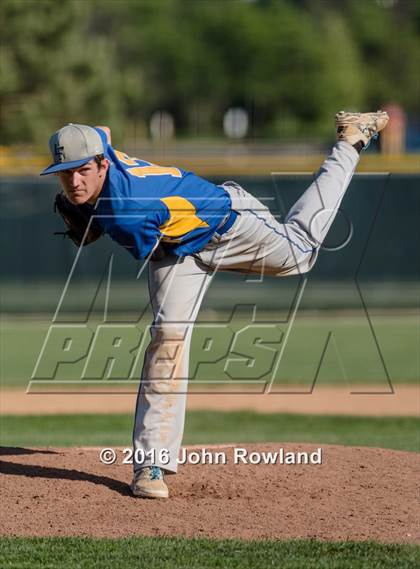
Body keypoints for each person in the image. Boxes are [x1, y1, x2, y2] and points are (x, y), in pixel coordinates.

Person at [41, 111, 389, 499]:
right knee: (168, 338)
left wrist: (91, 216)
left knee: (301, 253)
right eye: (65, 171)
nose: (74, 181)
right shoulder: (100, 147)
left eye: (83, 170)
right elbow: (103, 131)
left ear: (103, 162)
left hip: (228, 224)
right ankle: (149, 464)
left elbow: (122, 227)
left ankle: (350, 142)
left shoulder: (128, 212)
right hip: (175, 247)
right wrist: (88, 189)